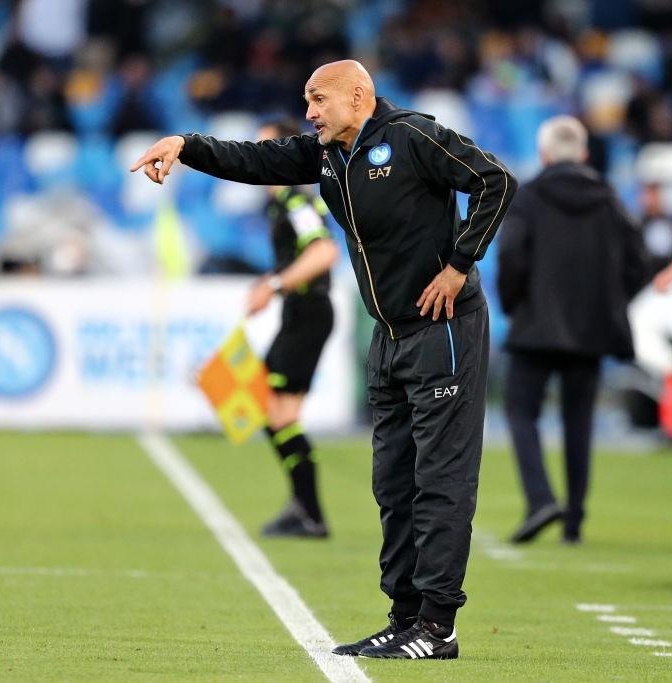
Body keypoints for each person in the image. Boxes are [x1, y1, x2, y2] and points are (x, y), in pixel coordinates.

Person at [130, 60, 515, 660]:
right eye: (306, 100)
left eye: (318, 99)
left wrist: (459, 264)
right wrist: (186, 145)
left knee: (439, 481)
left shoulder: (412, 136)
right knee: (392, 484)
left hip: (443, 329)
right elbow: (253, 161)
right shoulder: (327, 154)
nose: (308, 111)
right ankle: (404, 614)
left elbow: (495, 181)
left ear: (358, 95)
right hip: (388, 337)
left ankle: (438, 626)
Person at [497, 116, 646, 546]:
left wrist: (515, 303)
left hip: (535, 327)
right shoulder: (610, 199)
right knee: (578, 421)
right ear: (583, 153)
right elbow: (637, 260)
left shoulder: (529, 196)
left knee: (521, 412)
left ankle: (540, 498)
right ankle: (574, 520)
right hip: (591, 329)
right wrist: (613, 303)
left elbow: (511, 256)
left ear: (544, 155)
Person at [246, 117, 339, 540]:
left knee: (276, 410)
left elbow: (324, 251)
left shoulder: (295, 203)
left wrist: (276, 284)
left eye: (269, 149)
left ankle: (310, 513)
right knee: (276, 411)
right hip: (300, 312)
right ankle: (304, 508)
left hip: (308, 311)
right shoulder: (280, 204)